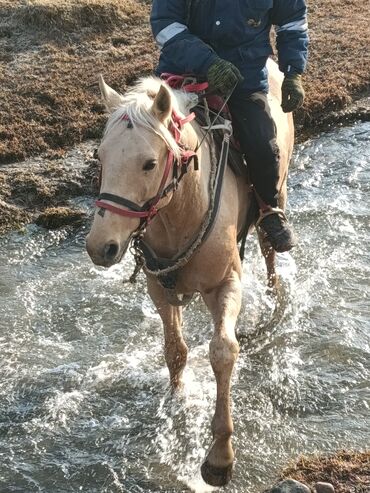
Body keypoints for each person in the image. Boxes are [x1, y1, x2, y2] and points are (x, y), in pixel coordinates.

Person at [150, 0, 309, 253]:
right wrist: (208, 63)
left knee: (263, 146)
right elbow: (165, 25)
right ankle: (122, 214)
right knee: (136, 136)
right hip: (183, 74)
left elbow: (292, 21)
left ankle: (268, 209)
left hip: (243, 81)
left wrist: (293, 72)